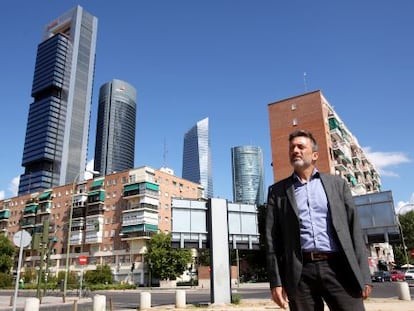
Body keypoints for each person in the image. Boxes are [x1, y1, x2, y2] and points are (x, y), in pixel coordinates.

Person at [265, 129, 372, 311]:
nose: (295, 151)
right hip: (300, 273)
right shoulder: (277, 192)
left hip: (339, 267)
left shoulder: (337, 185)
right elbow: (272, 240)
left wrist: (364, 274)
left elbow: (354, 229)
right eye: (292, 148)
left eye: (300, 147)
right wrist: (276, 281)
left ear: (314, 155)